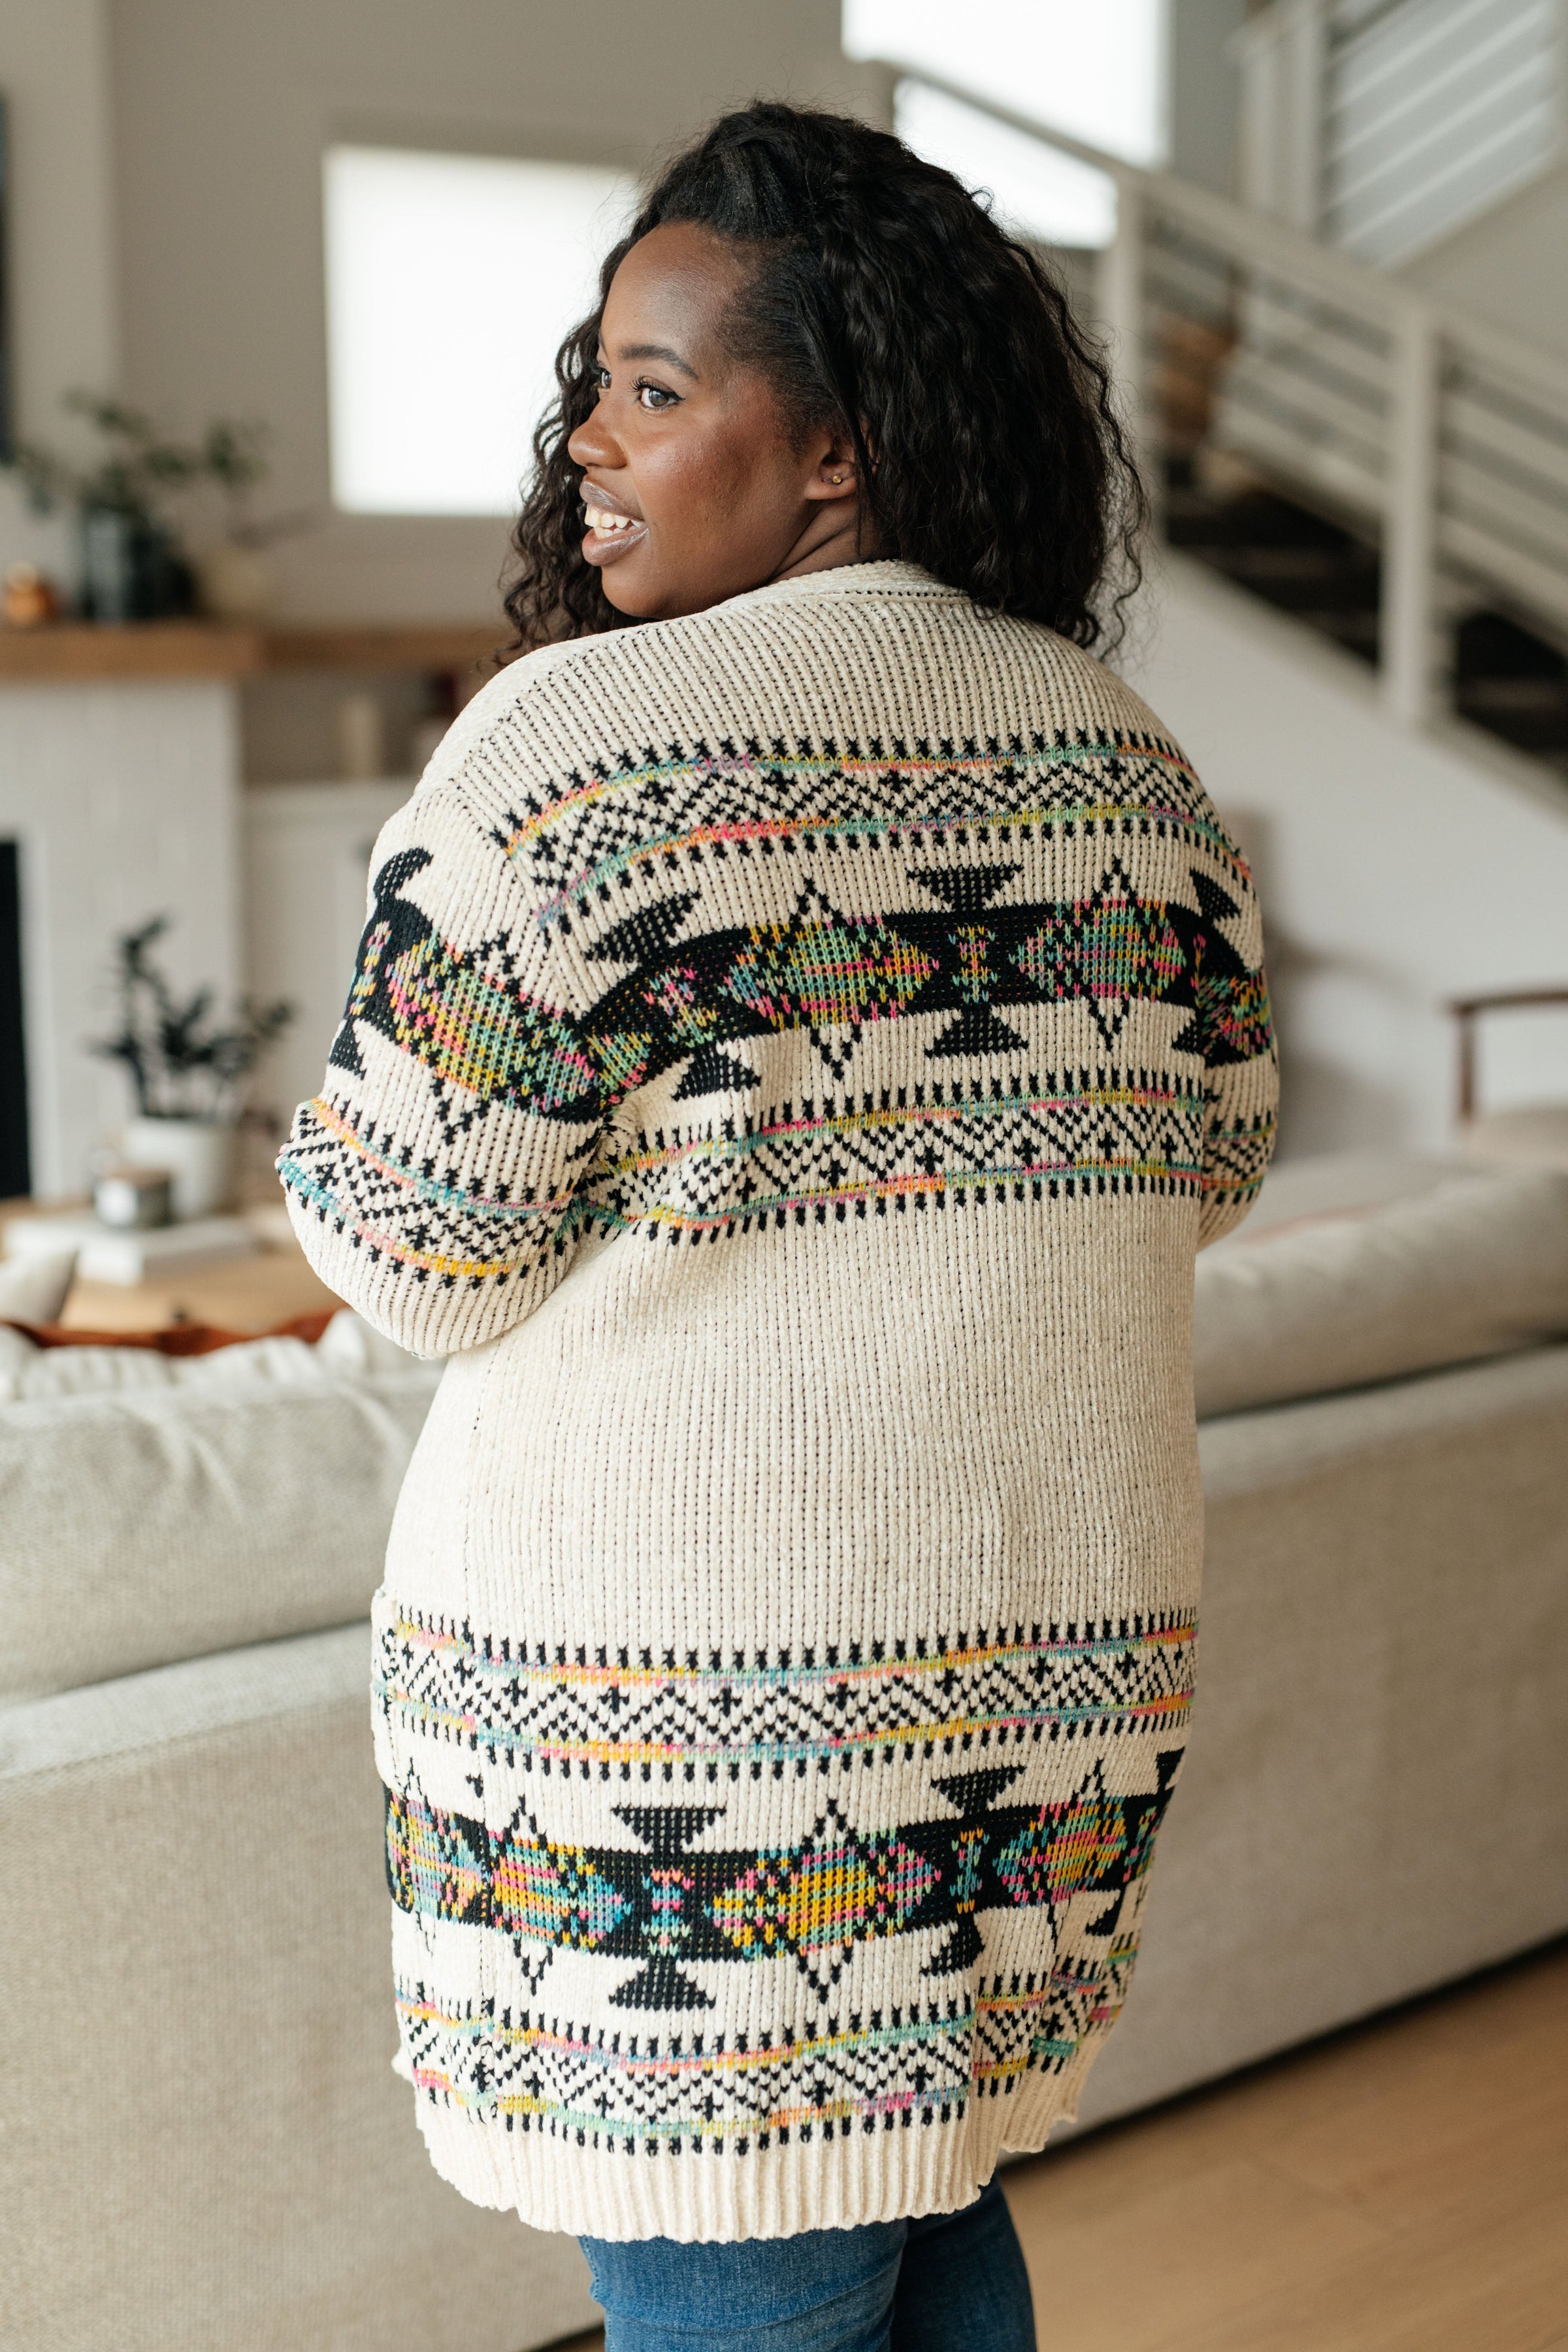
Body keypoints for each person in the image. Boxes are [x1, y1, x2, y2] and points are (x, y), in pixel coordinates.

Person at [280, 100, 1277, 2352]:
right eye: (595, 382)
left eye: (655, 385)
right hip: (1029, 1734)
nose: (589, 439)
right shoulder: (1126, 763)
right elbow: (1207, 1162)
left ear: (836, 447)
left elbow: (407, 1251)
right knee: (920, 2212)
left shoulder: (569, 757)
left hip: (687, 1788)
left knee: (758, 2264)